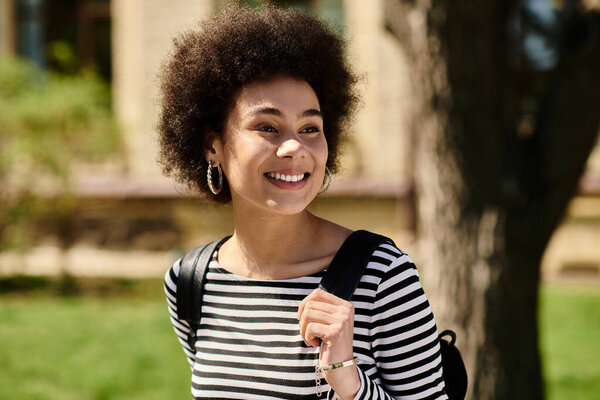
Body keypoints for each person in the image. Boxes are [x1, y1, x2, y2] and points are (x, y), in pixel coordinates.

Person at [159, 5, 448, 400]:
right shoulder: (190, 282)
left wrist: (349, 381)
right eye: (267, 127)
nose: (295, 147)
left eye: (311, 127)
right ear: (213, 146)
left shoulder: (382, 276)